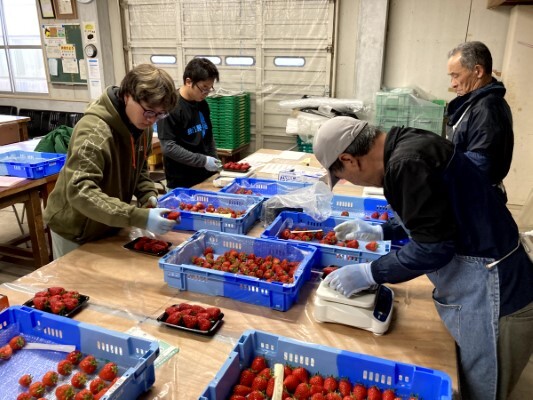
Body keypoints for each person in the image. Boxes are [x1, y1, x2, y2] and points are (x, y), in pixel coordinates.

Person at [313, 116, 533, 400]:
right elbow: (433, 215)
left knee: (483, 389)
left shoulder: (406, 164)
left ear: (350, 159)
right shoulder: (407, 144)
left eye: (342, 175)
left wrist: (371, 273)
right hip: (487, 277)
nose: (348, 181)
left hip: (499, 292)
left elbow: (434, 247)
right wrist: (381, 230)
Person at [44, 64, 178, 259]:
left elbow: (138, 168)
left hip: (108, 223)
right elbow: (80, 190)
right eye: (149, 111)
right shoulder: (94, 131)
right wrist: (137, 216)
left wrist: (147, 194)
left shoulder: (142, 127)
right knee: (77, 286)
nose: (152, 120)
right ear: (128, 95)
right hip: (76, 229)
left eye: (160, 115)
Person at [446, 41, 513, 202]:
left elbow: (481, 162)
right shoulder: (475, 104)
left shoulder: (487, 107)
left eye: (456, 75)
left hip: (478, 199)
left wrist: (439, 165)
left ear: (478, 71)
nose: (453, 84)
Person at [157, 57, 221, 189]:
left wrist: (216, 165)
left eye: (210, 89)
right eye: (203, 88)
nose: (206, 93)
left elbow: (208, 137)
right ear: (188, 81)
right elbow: (168, 146)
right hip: (181, 182)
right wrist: (203, 161)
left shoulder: (202, 104)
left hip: (205, 176)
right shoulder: (170, 106)